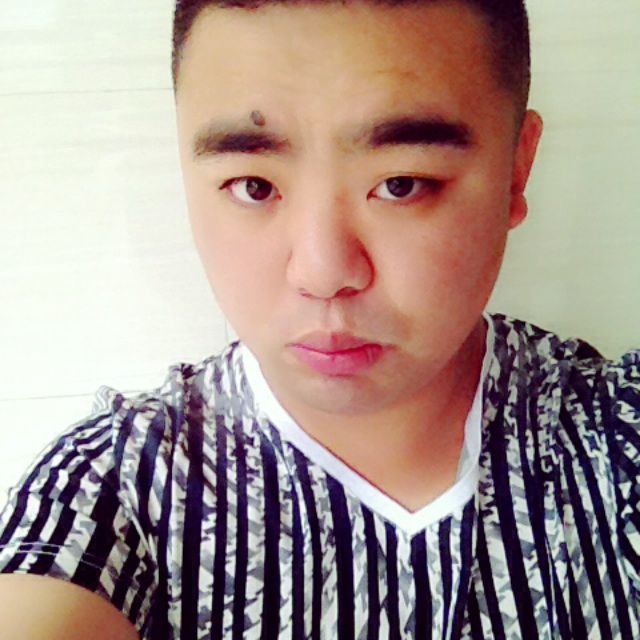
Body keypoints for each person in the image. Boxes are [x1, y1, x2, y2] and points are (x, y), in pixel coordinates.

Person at [0, 0, 638, 638]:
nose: (323, 272)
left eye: (402, 183)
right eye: (254, 186)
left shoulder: (615, 438)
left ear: (516, 170)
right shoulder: (117, 490)